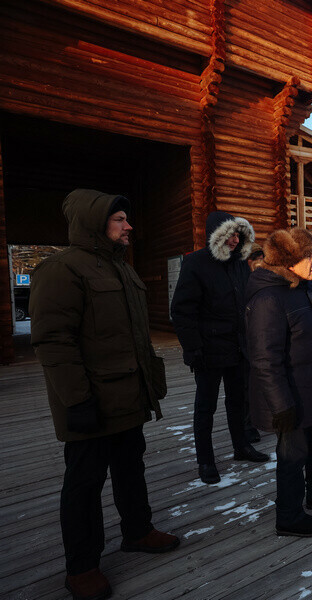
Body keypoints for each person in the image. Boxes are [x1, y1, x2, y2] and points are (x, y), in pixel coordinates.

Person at [30, 189, 179, 600]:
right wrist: (76, 401)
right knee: (84, 483)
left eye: (127, 219)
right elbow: (53, 342)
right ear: (96, 224)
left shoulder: (123, 269)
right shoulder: (62, 270)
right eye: (119, 219)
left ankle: (137, 531)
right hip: (90, 402)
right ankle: (82, 566)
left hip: (128, 396)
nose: (128, 225)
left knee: (131, 468)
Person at [244, 227, 312, 537]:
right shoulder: (268, 298)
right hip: (289, 393)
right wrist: (281, 405)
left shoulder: (297, 288)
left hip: (311, 385)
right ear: (288, 261)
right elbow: (265, 359)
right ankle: (289, 515)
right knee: (293, 454)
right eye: (308, 256)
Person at [170, 211, 267, 485]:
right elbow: (181, 310)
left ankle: (241, 446)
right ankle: (205, 460)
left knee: (238, 401)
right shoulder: (196, 263)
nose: (235, 240)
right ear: (217, 235)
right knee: (206, 406)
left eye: (239, 234)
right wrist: (192, 348)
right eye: (230, 234)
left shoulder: (239, 264)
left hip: (238, 347)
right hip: (209, 348)